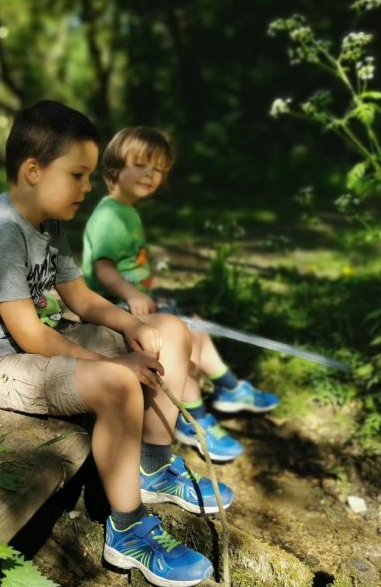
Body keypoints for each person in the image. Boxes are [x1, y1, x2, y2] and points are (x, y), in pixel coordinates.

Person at [0, 101, 233, 587]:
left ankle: (156, 466)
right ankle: (128, 530)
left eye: (90, 175)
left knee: (172, 332)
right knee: (120, 381)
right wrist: (115, 361)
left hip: (38, 344)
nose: (88, 187)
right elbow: (30, 335)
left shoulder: (48, 224)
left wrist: (133, 327)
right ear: (33, 171)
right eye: (78, 175)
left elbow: (80, 298)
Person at [82, 126, 280, 463]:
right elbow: (103, 269)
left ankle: (222, 393)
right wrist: (132, 294)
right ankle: (200, 418)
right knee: (183, 339)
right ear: (114, 169)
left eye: (158, 169)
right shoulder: (108, 215)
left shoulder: (125, 212)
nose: (151, 174)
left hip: (131, 303)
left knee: (195, 327)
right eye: (142, 164)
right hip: (113, 309)